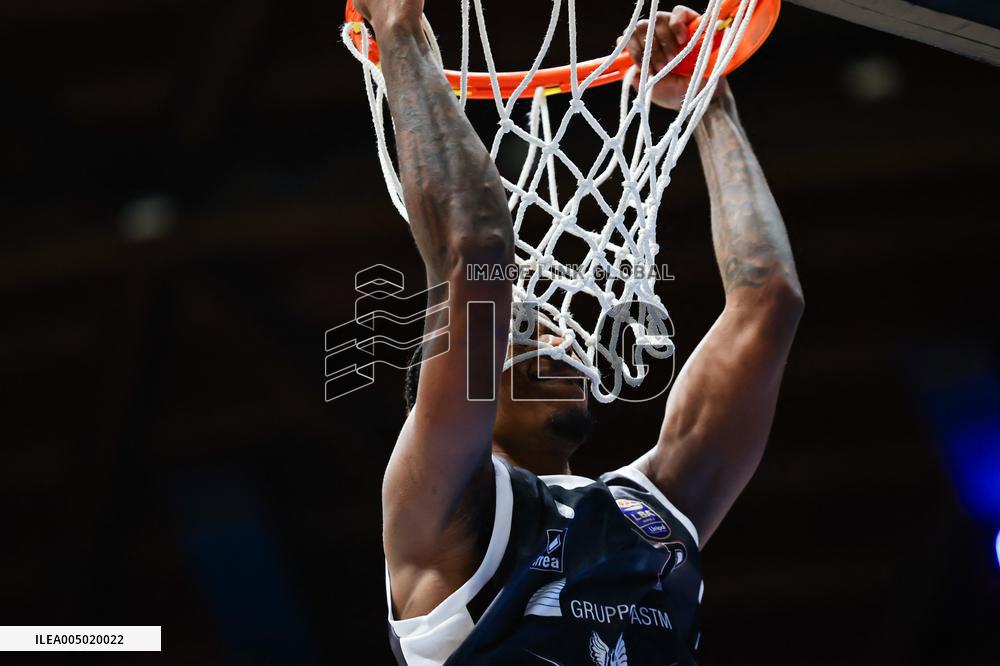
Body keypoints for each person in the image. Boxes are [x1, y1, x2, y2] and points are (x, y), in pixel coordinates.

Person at [353, 0, 804, 662]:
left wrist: (705, 98)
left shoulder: (653, 511)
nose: (552, 339)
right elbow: (476, 257)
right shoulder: (441, 502)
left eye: (553, 327)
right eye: (516, 330)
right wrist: (398, 30)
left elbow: (769, 301)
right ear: (450, 385)